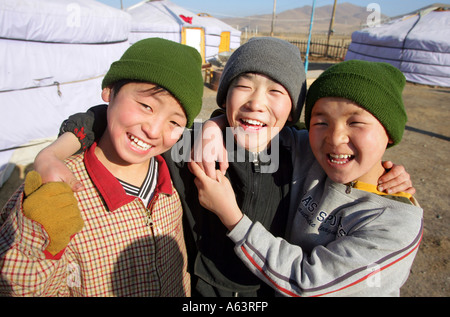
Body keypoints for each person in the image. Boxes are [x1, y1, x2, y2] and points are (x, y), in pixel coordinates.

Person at [28, 38, 413, 297]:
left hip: (272, 289)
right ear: (226, 94)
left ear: (292, 109)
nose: (256, 103)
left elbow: (348, 150)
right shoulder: (192, 144)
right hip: (203, 290)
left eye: (276, 92)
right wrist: (54, 151)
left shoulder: (299, 149)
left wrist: (388, 175)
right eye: (243, 86)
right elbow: (112, 118)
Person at [190, 60, 423, 296]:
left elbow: (308, 283)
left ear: (389, 132)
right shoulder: (311, 152)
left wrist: (232, 217)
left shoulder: (396, 223)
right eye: (321, 122)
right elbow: (261, 124)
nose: (335, 138)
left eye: (356, 122)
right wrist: (214, 124)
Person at [0, 38, 204, 296]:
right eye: (145, 106)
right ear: (109, 91)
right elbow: (16, 287)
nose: (153, 130)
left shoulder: (170, 185)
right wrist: (38, 240)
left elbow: (179, 269)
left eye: (174, 122)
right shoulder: (55, 189)